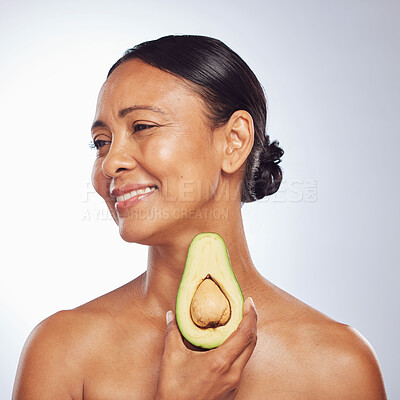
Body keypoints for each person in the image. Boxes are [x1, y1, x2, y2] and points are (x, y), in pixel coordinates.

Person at [12, 35, 387, 399]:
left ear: (234, 141)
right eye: (101, 143)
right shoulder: (61, 351)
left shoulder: (340, 366)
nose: (110, 163)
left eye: (141, 127)